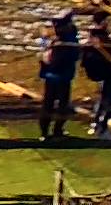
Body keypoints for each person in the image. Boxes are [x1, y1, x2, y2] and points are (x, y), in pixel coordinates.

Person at [38, 11, 80, 140]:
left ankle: (45, 133)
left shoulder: (48, 38)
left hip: (50, 76)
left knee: (48, 104)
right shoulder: (70, 39)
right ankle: (56, 131)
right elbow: (75, 56)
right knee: (61, 105)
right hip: (62, 77)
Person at [82, 11, 111, 136]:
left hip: (103, 72)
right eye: (108, 20)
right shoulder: (98, 36)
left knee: (103, 99)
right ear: (103, 21)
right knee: (107, 100)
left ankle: (97, 124)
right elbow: (106, 50)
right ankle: (101, 126)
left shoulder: (95, 34)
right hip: (107, 72)